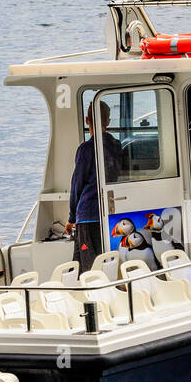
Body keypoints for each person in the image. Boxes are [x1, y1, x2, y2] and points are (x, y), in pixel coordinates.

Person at [68, 102, 123, 270]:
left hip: (88, 214)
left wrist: (71, 219)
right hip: (109, 213)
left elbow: (77, 185)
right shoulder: (116, 146)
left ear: (87, 120)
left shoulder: (85, 149)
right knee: (84, 262)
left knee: (89, 266)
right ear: (108, 121)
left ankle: (93, 293)